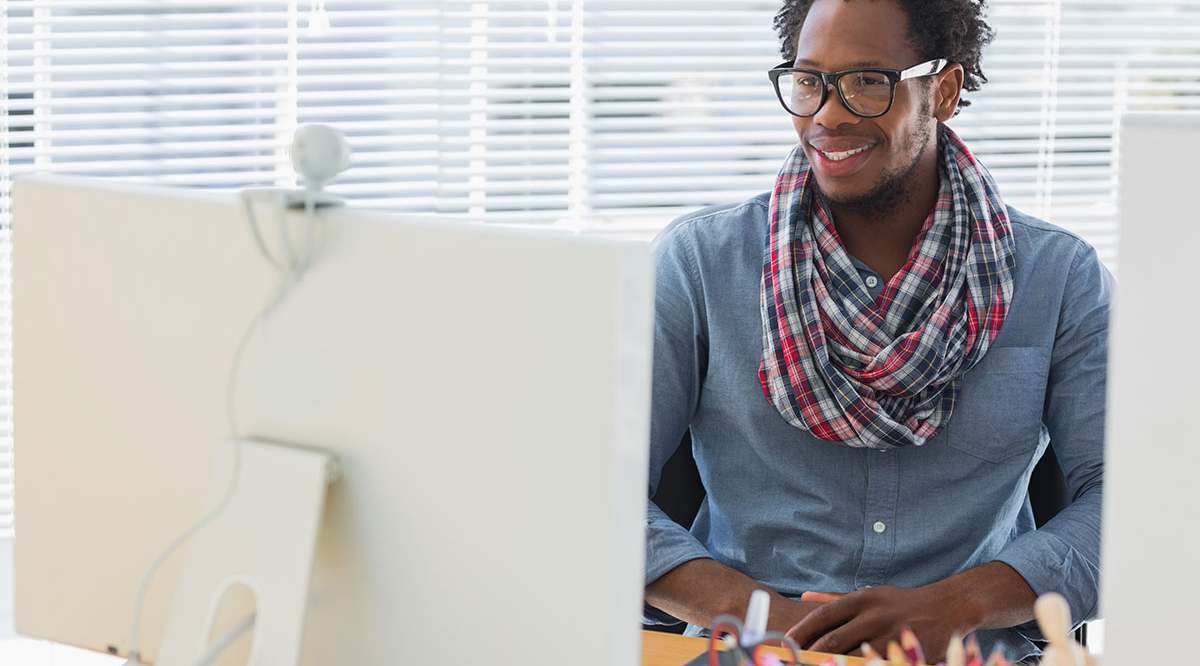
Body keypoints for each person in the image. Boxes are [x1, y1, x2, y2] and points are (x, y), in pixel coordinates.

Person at [641, 0, 1111, 662]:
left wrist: (958, 605)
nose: (828, 115)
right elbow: (594, 496)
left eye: (868, 81)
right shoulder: (700, 265)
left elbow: (1126, 506)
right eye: (809, 82)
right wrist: (765, 616)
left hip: (969, 649)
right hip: (745, 647)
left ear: (942, 91)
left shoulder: (1059, 278)